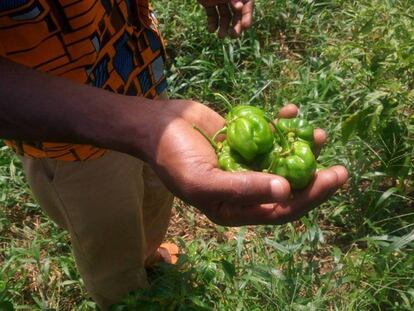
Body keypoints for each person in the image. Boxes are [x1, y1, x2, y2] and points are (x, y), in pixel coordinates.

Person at [0, 0, 348, 309]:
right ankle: (125, 299)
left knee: (154, 200)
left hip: (142, 86)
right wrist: (142, 127)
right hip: (71, 143)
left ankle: (150, 255)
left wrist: (148, 125)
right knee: (108, 240)